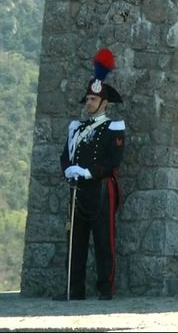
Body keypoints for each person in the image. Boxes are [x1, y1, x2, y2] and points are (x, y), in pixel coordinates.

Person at [53, 48, 125, 301]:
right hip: (78, 190)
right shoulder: (76, 128)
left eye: (92, 100)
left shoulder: (113, 128)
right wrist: (69, 170)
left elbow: (113, 159)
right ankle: (74, 289)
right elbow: (65, 155)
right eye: (87, 100)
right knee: (76, 241)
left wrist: (88, 172)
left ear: (104, 103)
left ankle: (105, 289)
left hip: (102, 190)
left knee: (104, 241)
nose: (88, 103)